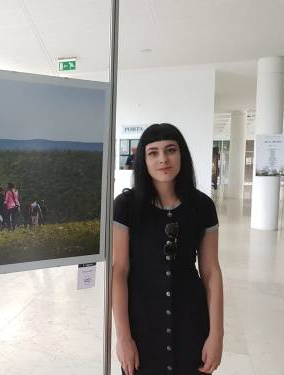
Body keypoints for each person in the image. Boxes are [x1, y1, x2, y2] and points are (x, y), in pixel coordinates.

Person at [113, 123, 223, 375]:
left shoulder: (202, 206)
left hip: (191, 320)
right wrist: (123, 337)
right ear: (143, 159)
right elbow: (119, 271)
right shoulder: (126, 206)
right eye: (153, 152)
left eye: (170, 150)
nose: (163, 159)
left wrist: (216, 335)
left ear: (181, 154)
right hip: (142, 321)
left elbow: (211, 272)